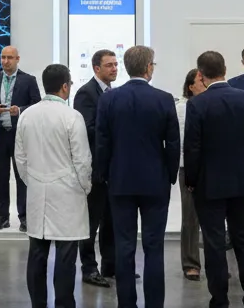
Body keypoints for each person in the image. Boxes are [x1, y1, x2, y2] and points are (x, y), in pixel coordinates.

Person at [96, 46, 179, 308]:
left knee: (124, 247)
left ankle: (126, 304)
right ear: (147, 68)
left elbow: (102, 143)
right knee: (154, 248)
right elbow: (174, 144)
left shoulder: (109, 99)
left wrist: (105, 174)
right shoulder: (164, 99)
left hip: (120, 182)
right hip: (155, 183)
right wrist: (170, 175)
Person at [185, 50, 244, 308]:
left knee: (214, 243)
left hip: (209, 186)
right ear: (225, 69)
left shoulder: (197, 104)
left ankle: (219, 300)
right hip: (243, 182)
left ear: (201, 74)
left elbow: (192, 149)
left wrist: (192, 180)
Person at [16, 63, 91, 308]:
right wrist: (84, 186)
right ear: (65, 86)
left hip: (37, 191)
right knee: (66, 257)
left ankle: (37, 303)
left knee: (37, 254)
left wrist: (34, 181)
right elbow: (82, 159)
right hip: (68, 193)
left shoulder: (27, 114)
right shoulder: (72, 116)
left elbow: (20, 157)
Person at [0, 46, 40, 232]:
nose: (5, 61)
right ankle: (2, 217)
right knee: (1, 178)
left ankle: (24, 218)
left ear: (17, 59)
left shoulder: (28, 80)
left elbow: (37, 104)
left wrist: (20, 110)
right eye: (3, 57)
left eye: (10, 58)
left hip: (20, 136)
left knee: (21, 177)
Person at [73, 49, 117, 287]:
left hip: (113, 169)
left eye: (116, 64)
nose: (114, 68)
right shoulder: (86, 93)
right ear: (96, 69)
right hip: (95, 169)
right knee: (90, 223)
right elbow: (86, 128)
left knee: (111, 220)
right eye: (109, 65)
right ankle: (89, 268)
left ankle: (111, 266)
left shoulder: (114, 93)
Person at [177, 68, 207, 282]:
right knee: (190, 217)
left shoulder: (213, 104)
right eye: (200, 80)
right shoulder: (180, 108)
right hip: (187, 167)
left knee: (214, 218)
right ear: (190, 86)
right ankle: (191, 263)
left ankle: (215, 261)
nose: (204, 83)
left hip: (213, 167)